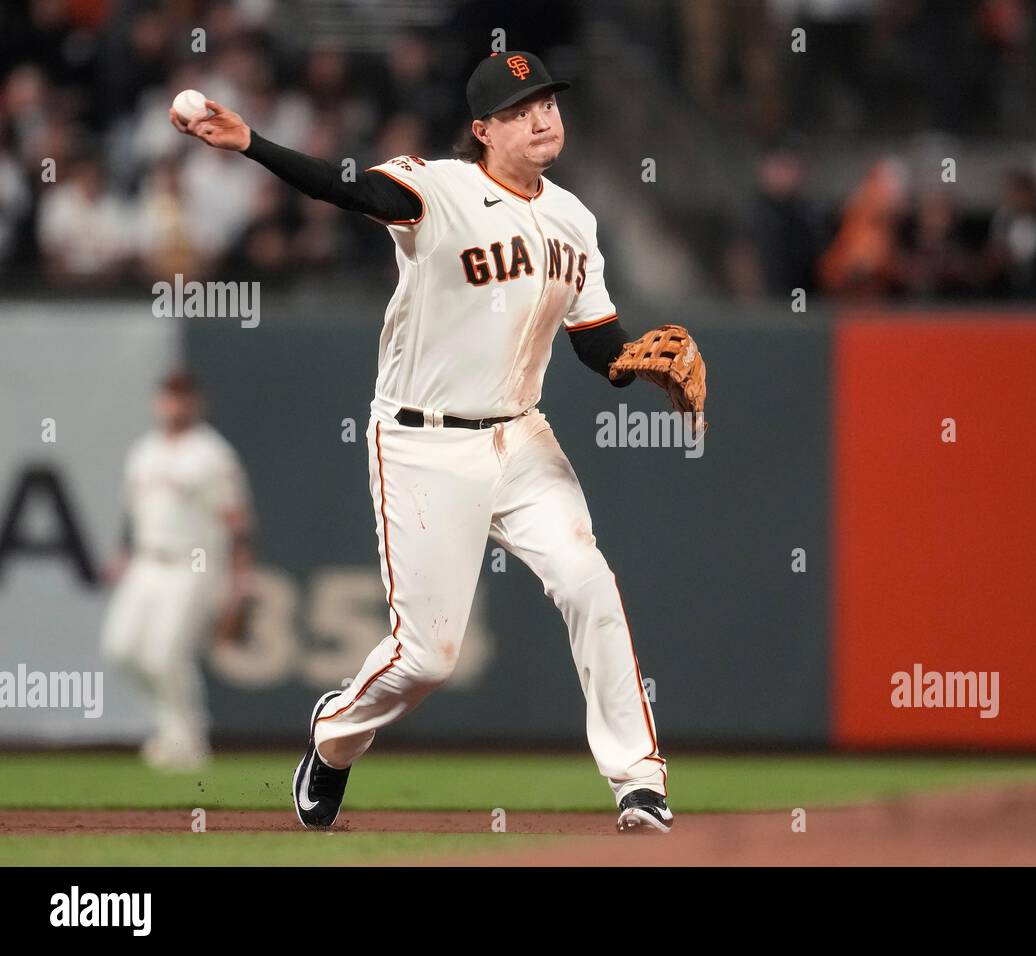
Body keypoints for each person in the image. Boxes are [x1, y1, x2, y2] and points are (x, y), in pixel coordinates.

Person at [169, 50, 675, 833]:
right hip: (423, 443)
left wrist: (642, 371)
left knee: (590, 584)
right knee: (428, 658)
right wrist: (253, 144)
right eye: (519, 110)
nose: (542, 117)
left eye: (548, 102)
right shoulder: (438, 187)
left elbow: (596, 343)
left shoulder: (576, 219)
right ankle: (333, 738)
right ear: (482, 130)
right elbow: (347, 187)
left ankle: (639, 784)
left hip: (523, 437)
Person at [101, 371, 254, 771]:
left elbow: (237, 522)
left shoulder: (211, 453)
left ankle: (188, 740)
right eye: (169, 396)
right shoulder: (144, 451)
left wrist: (240, 584)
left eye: (183, 397)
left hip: (194, 563)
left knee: (165, 654)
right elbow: (133, 513)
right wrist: (121, 554)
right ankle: (172, 729)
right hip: (146, 561)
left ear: (196, 403)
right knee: (119, 647)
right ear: (158, 401)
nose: (175, 405)